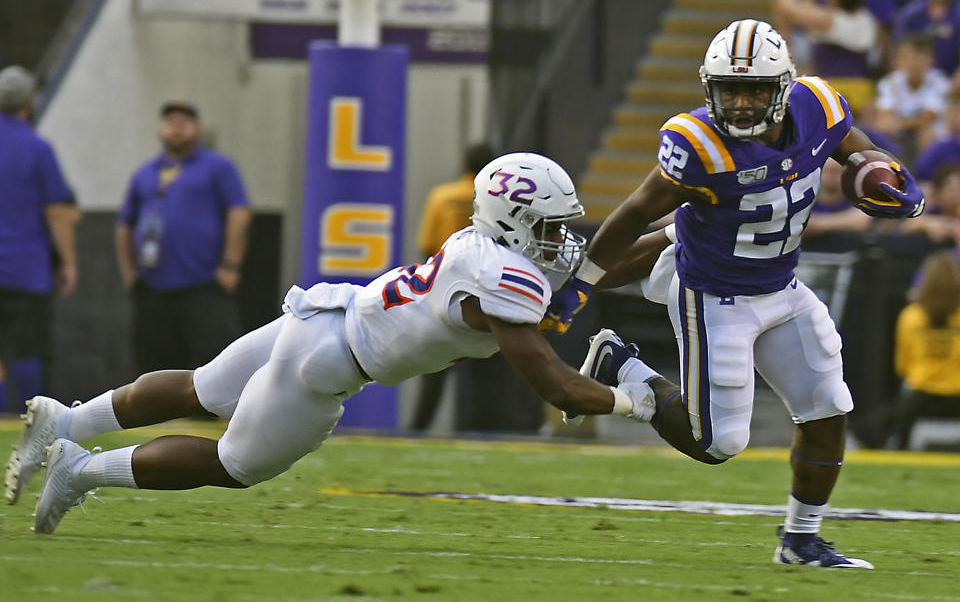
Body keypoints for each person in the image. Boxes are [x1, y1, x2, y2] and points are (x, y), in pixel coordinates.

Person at [4, 152, 657, 534]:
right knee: (234, 464)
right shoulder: (501, 274)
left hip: (326, 313)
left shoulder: (488, 249)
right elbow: (550, 381)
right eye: (548, 225)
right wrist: (635, 403)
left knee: (202, 386)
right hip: (327, 361)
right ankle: (79, 467)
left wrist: (679, 238)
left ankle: (66, 418)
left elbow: (591, 268)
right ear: (515, 222)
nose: (560, 238)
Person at [543, 19, 925, 568]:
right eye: (729, 91)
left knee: (828, 411)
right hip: (714, 294)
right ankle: (625, 366)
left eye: (754, 91)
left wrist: (892, 181)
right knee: (717, 442)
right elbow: (632, 214)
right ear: (709, 89)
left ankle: (800, 541)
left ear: (784, 88)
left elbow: (863, 153)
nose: (741, 104)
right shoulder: (698, 144)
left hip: (781, 285)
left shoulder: (817, 106)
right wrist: (580, 286)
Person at [116, 100, 251, 375]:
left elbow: (239, 213)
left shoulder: (217, 167)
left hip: (204, 280)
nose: (177, 129)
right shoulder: (146, 173)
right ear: (161, 129)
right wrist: (129, 272)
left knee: (214, 354)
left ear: (198, 129)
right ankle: (156, 414)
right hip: (154, 283)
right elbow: (124, 225)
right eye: (170, 123)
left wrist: (230, 265)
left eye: (184, 123)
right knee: (153, 358)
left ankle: (210, 415)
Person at [0, 65, 79, 412]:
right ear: (29, 103)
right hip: (25, 270)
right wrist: (69, 262)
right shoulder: (36, 148)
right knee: (28, 348)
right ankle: (28, 419)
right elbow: (58, 211)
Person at [411, 142, 494, 431]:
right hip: (485, 293)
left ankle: (417, 430)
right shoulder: (494, 201)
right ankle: (479, 432)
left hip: (443, 292)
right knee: (483, 372)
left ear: (463, 164)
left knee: (434, 370)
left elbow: (427, 247)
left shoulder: (441, 196)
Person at [892, 250, 960, 449]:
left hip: (919, 398)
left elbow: (902, 367)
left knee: (895, 416)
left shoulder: (910, 316)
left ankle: (900, 451)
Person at [875, 34, 951, 163]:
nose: (913, 63)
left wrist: (900, 123)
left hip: (930, 131)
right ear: (899, 60)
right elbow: (885, 116)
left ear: (930, 60)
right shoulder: (889, 82)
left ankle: (923, 175)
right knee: (883, 127)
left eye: (918, 57)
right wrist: (901, 124)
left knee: (927, 133)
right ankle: (894, 172)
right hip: (899, 131)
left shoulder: (940, 82)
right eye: (907, 58)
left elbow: (928, 117)